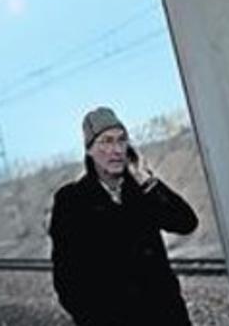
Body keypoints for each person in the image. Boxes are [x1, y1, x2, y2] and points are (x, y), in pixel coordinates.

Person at [49, 106, 199, 326]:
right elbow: (67, 279)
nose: (116, 149)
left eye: (121, 140)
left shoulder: (142, 189)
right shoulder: (72, 201)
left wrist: (149, 182)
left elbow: (186, 222)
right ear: (89, 149)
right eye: (106, 141)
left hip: (166, 316)